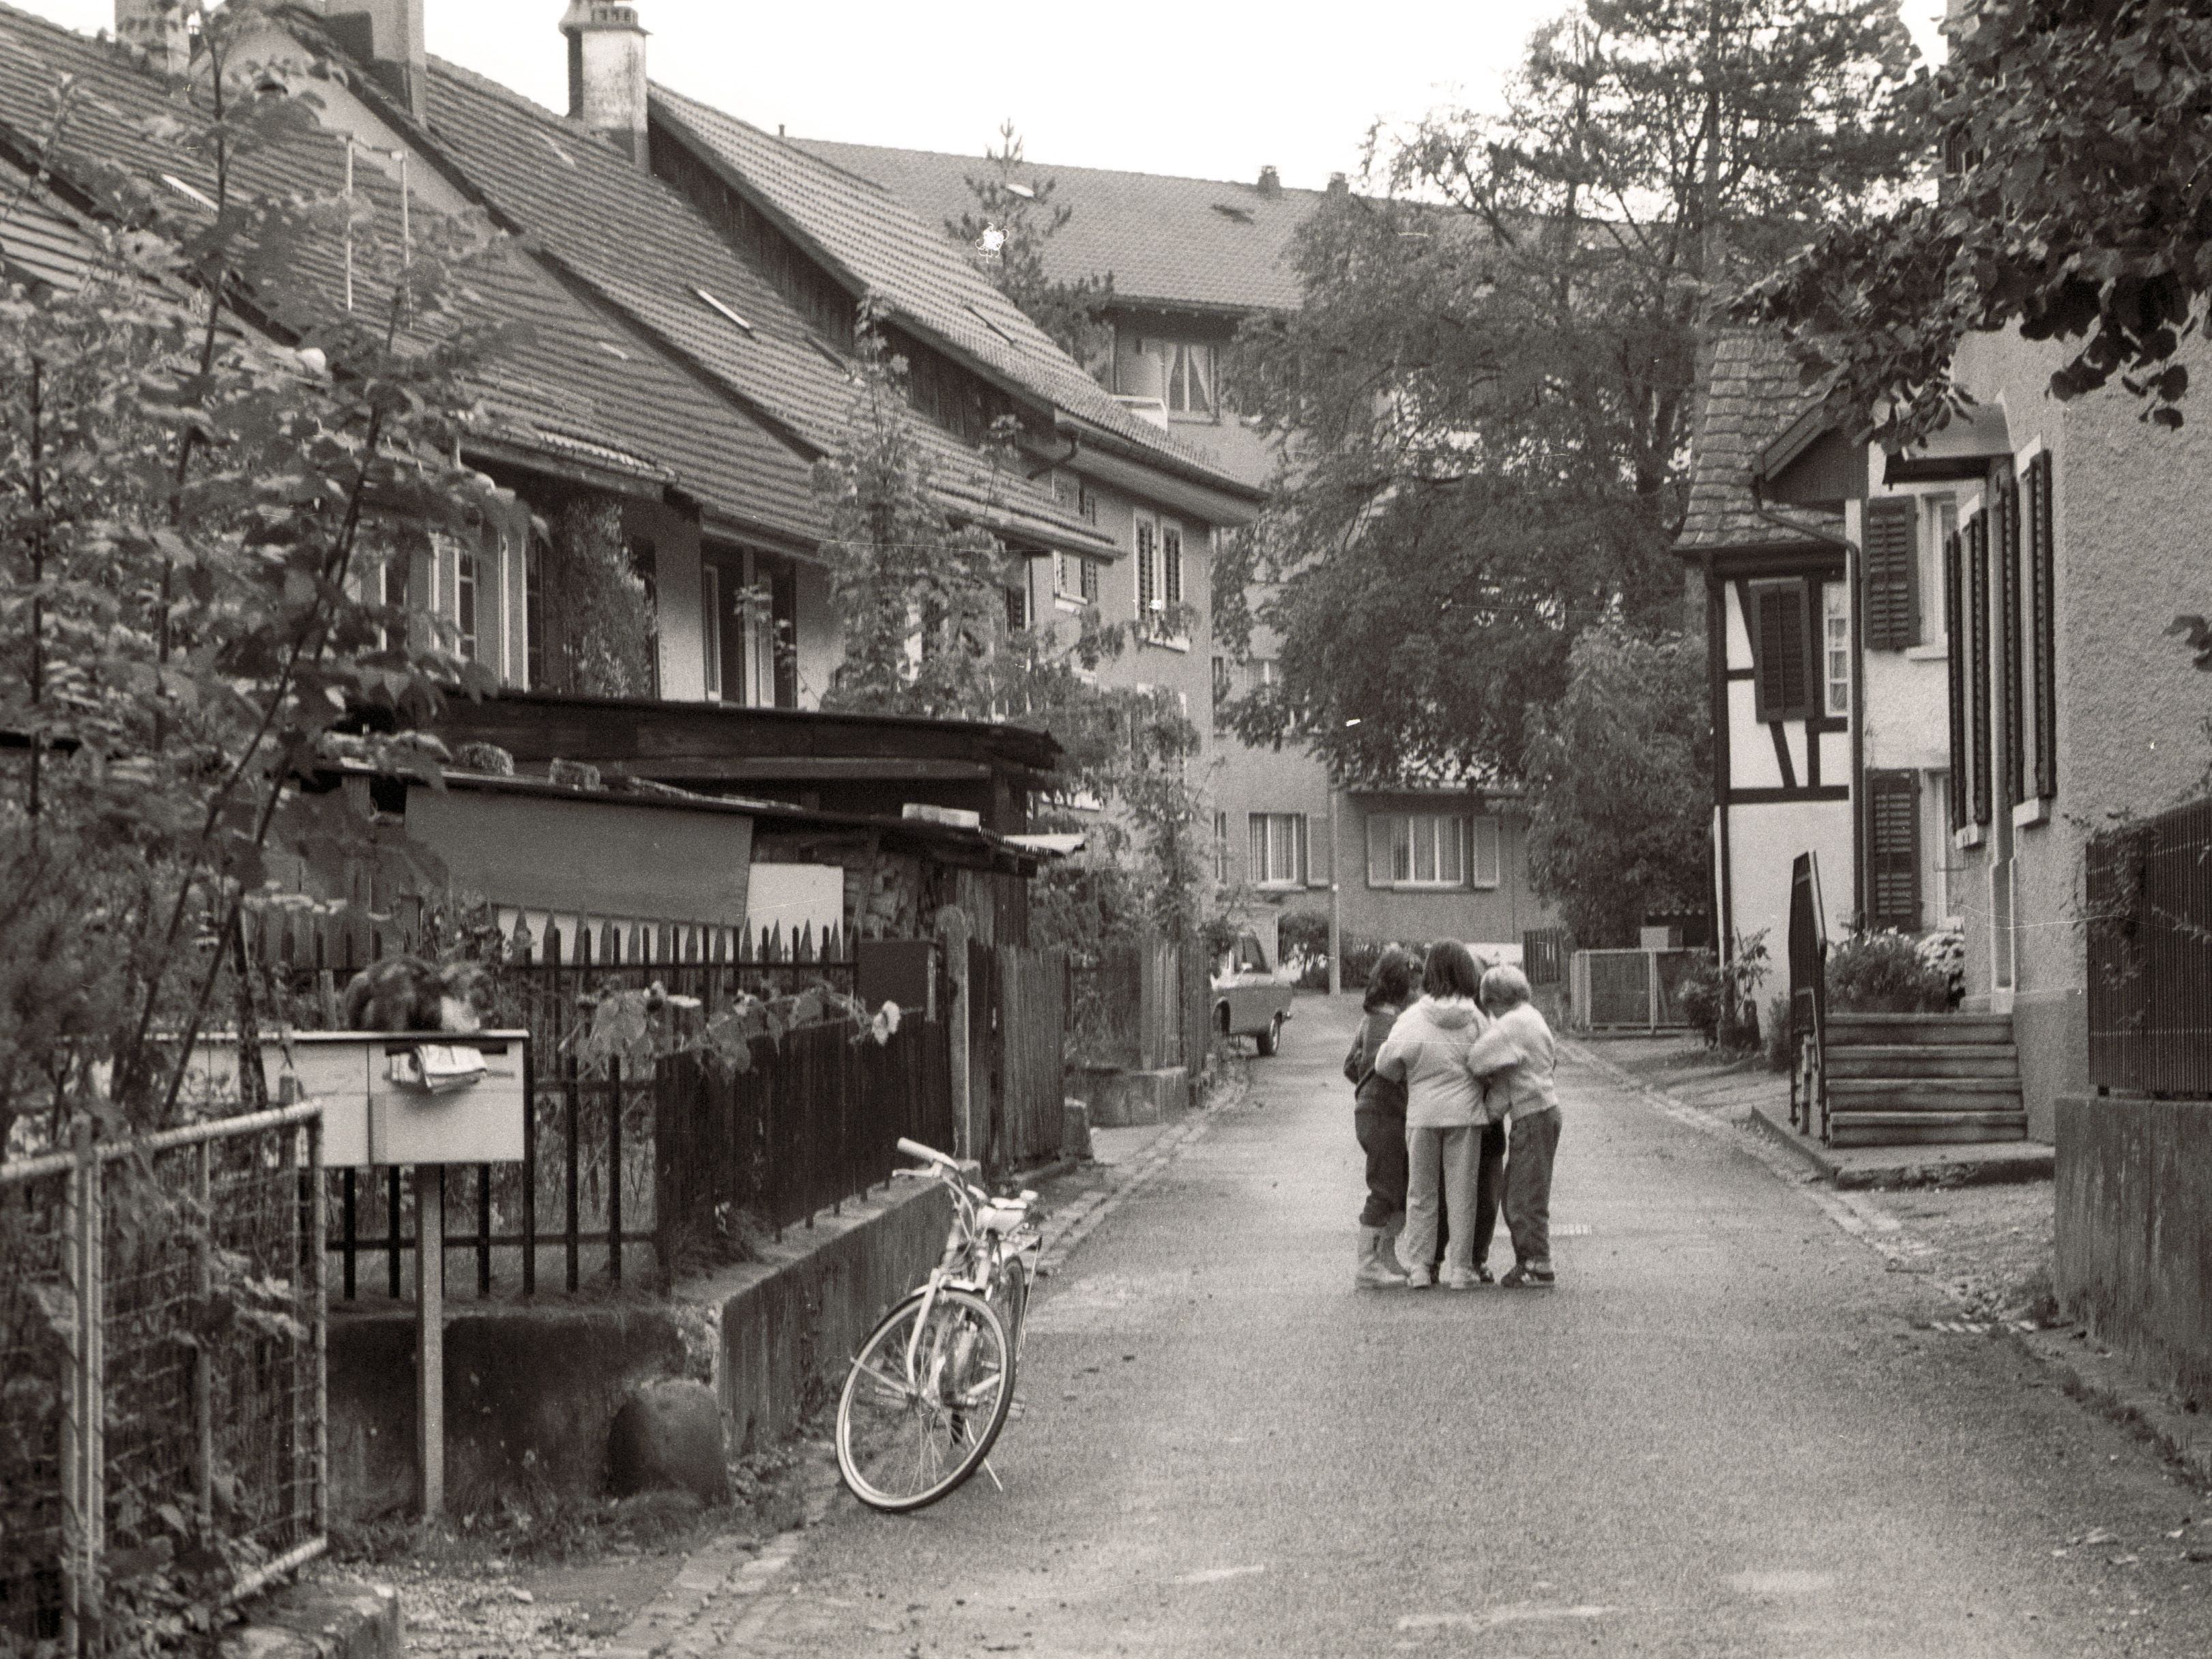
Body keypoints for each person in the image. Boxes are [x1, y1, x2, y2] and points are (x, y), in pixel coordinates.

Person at [1371, 940, 1491, 1290]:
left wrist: (1408, 1076)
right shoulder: (1475, 1020)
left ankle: (1421, 1267)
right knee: (1462, 1194)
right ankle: (1460, 1269)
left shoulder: (1412, 1018)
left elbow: (1385, 1064)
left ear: (1430, 973)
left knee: (1421, 1193)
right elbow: (1489, 1062)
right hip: (1466, 1116)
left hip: (1422, 1113)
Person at [1461, 963, 1561, 1288]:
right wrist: (1490, 1113)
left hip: (1531, 1116)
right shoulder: (1533, 1018)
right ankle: (1531, 1259)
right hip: (1543, 1110)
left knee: (1522, 1195)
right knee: (1525, 1189)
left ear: (1493, 999)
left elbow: (1477, 1059)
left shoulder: (1511, 1026)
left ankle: (1537, 1263)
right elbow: (1509, 1079)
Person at [1344, 947, 1416, 1288]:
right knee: (1386, 1190)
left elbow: (1349, 1065)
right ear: (1404, 987)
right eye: (1414, 986)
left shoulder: (1368, 1020)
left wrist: (1364, 1084)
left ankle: (1386, 1257)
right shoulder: (1396, 1024)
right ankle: (1367, 1263)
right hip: (1386, 1115)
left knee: (1398, 1188)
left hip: (1369, 1112)